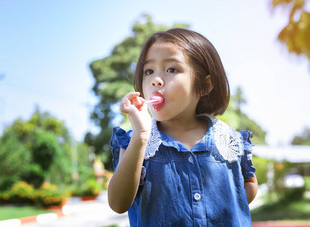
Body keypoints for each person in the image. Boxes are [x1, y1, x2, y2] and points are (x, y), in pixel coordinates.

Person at [108, 28, 258, 226]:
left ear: (204, 85)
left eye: (171, 69)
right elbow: (118, 203)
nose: (156, 80)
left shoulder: (229, 139)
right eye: (149, 71)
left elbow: (248, 184)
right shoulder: (135, 140)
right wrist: (141, 136)